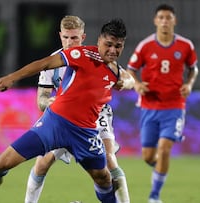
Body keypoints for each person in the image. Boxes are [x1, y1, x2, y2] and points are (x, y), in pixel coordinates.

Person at [0, 18, 134, 203]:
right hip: (55, 123)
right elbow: (44, 64)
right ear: (99, 40)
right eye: (108, 44)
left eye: (118, 46)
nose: (113, 50)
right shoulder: (82, 54)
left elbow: (128, 78)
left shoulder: (115, 71)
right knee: (5, 163)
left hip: (85, 132)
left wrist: (128, 82)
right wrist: (11, 78)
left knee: (104, 177)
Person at [24, 15, 130, 203]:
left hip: (96, 115)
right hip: (64, 116)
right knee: (41, 164)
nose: (69, 42)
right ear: (60, 36)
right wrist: (49, 103)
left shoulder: (96, 55)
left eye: (74, 38)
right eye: (65, 37)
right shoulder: (52, 63)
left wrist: (126, 81)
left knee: (109, 159)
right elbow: (41, 98)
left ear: (83, 37)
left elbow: (127, 77)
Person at [126, 4, 199, 203]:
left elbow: (193, 69)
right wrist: (137, 85)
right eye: (161, 17)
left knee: (165, 147)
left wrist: (189, 84)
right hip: (149, 106)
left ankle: (154, 196)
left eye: (168, 17)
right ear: (155, 21)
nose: (165, 21)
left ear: (174, 20)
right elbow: (130, 70)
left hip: (174, 106)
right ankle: (160, 168)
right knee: (149, 156)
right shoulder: (145, 46)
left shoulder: (185, 45)